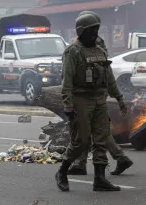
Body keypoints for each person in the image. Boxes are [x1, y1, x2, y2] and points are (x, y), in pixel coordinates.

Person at [55, 12, 128, 192]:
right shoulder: (73, 52)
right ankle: (62, 172)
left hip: (99, 99)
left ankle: (100, 179)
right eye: (91, 30)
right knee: (81, 141)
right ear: (81, 32)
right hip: (81, 99)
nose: (95, 34)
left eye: (96, 29)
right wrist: (68, 105)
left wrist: (119, 98)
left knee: (101, 138)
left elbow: (109, 78)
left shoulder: (100, 51)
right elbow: (67, 82)